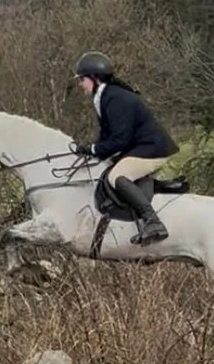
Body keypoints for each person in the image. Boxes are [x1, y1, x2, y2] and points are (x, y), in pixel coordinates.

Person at [70, 51, 179, 245]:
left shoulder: (115, 98)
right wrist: (93, 149)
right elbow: (108, 136)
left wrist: (94, 149)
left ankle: (153, 221)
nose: (80, 84)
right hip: (141, 147)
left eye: (82, 79)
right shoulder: (105, 97)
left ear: (95, 78)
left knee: (116, 177)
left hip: (152, 149)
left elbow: (119, 140)